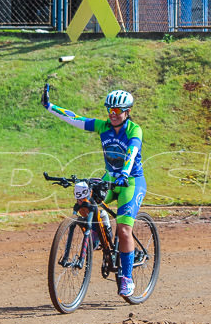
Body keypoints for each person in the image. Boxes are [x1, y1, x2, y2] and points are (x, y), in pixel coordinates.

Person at [42, 85, 145, 297]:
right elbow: (75, 119)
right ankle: (97, 233)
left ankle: (126, 277)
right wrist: (50, 106)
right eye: (110, 110)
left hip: (131, 181)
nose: (112, 115)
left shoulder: (134, 130)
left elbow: (132, 151)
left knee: (124, 229)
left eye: (117, 111)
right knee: (82, 195)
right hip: (110, 178)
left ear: (127, 112)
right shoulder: (103, 127)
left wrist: (125, 172)